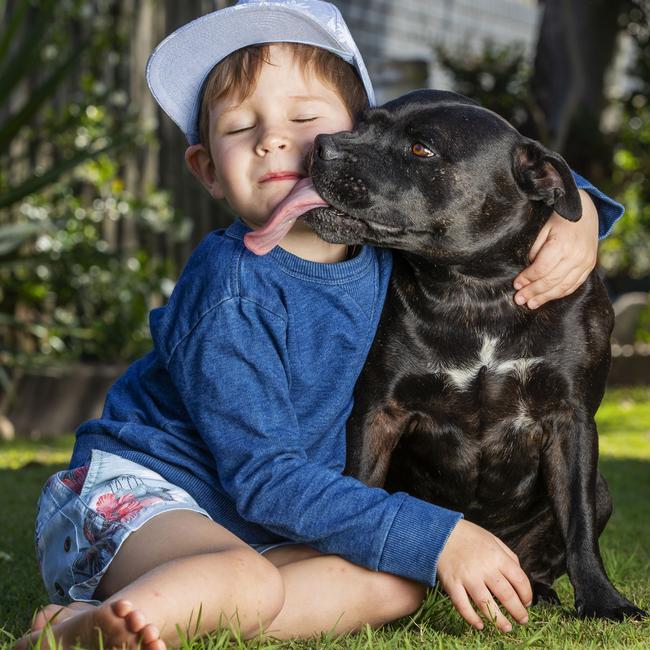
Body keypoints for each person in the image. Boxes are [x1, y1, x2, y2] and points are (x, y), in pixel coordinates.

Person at [18, 1, 624, 649]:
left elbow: (478, 169)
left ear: (360, 135)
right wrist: (437, 532)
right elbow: (263, 475)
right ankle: (91, 630)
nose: (274, 139)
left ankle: (122, 613)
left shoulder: (380, 244)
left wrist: (579, 208)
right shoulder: (231, 287)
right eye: (240, 127)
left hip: (255, 526)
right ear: (205, 170)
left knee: (394, 586)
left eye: (304, 118)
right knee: (246, 581)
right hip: (144, 497)